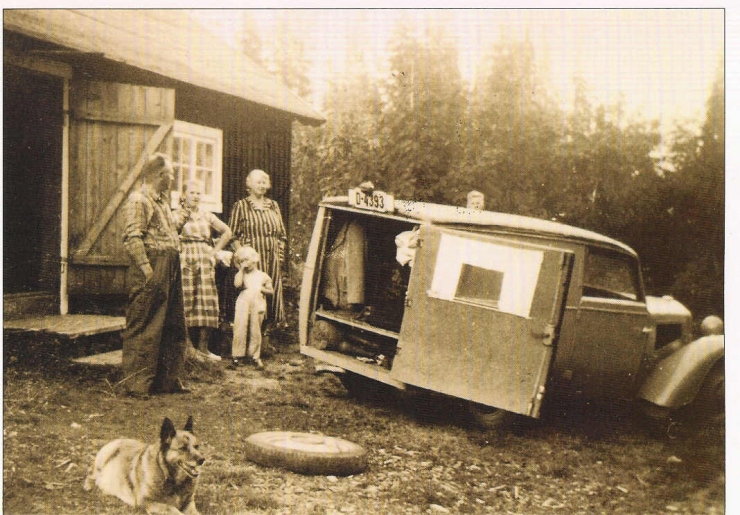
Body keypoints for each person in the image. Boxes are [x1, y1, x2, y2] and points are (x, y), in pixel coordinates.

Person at [120, 152, 189, 396]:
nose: (173, 178)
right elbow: (132, 238)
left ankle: (167, 381)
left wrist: (185, 212)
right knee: (145, 324)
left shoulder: (161, 201)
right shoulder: (139, 200)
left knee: (172, 324)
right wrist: (147, 270)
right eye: (171, 174)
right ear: (160, 175)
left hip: (169, 264)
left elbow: (168, 230)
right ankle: (136, 385)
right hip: (152, 266)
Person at [175, 180, 233, 361]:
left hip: (204, 259)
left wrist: (213, 252)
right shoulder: (176, 214)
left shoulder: (206, 215)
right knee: (186, 300)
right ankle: (188, 348)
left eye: (199, 193)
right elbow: (170, 233)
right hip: (185, 259)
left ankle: (203, 348)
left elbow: (227, 232)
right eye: (192, 192)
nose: (196, 196)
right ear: (184, 195)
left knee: (207, 301)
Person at [228, 169, 288, 329]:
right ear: (249, 184)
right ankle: (250, 335)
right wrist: (243, 258)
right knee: (253, 295)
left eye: (264, 182)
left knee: (271, 293)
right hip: (252, 262)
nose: (262, 185)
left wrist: (279, 255)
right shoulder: (241, 206)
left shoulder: (273, 206)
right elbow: (232, 235)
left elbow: (282, 235)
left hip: (272, 259)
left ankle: (267, 335)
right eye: (258, 182)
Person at [231, 246, 274, 369]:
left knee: (255, 329)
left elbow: (271, 291)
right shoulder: (241, 275)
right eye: (241, 261)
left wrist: (262, 289)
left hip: (258, 302)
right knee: (240, 327)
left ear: (254, 259)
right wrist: (241, 270)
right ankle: (237, 355)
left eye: (246, 260)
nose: (244, 263)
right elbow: (237, 285)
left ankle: (254, 356)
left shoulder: (263, 276)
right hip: (243, 302)